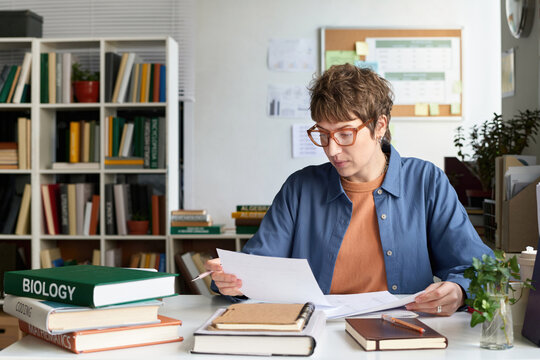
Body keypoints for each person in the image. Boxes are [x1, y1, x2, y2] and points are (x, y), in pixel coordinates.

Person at [205, 64, 493, 316]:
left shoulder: (426, 181)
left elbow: (475, 267)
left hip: (402, 332)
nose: (332, 149)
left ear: (380, 125)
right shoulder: (300, 188)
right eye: (323, 134)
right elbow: (257, 265)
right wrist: (231, 280)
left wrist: (458, 290)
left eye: (345, 133)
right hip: (317, 331)